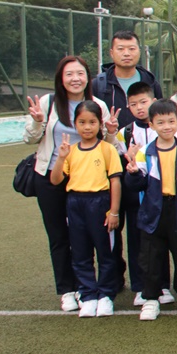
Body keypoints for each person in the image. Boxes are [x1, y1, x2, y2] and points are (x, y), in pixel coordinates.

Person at [23, 56, 111, 313]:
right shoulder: (48, 103)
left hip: (87, 180)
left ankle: (90, 287)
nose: (75, 79)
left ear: (88, 77)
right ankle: (67, 290)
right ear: (61, 78)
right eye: (69, 74)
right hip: (51, 177)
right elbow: (29, 138)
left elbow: (108, 142)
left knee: (88, 236)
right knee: (59, 236)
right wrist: (38, 121)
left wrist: (112, 131)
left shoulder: (98, 105)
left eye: (80, 73)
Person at [123, 99, 177, 320]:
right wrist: (132, 173)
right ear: (151, 125)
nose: (167, 126)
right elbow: (137, 185)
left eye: (171, 121)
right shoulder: (145, 153)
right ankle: (150, 298)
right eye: (161, 122)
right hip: (153, 212)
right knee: (151, 258)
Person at [49, 101, 123, 318]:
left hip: (100, 202)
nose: (87, 127)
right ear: (75, 124)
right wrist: (61, 157)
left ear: (100, 124)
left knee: (105, 252)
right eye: (82, 122)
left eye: (92, 122)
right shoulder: (70, 151)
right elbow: (55, 180)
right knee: (80, 252)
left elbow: (115, 181)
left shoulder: (107, 149)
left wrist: (114, 211)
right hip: (75, 203)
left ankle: (106, 295)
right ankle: (88, 294)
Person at [115, 82, 161, 306]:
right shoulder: (125, 133)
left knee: (160, 242)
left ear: (153, 101)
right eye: (134, 104)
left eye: (143, 102)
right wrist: (129, 158)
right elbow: (120, 163)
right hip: (136, 199)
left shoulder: (163, 127)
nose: (139, 108)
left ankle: (162, 285)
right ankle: (140, 286)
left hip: (160, 195)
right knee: (136, 243)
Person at [91, 30, 162, 133]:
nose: (126, 54)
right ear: (111, 53)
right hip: (109, 141)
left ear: (139, 51)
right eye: (120, 49)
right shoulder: (99, 85)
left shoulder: (150, 82)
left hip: (145, 141)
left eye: (131, 49)